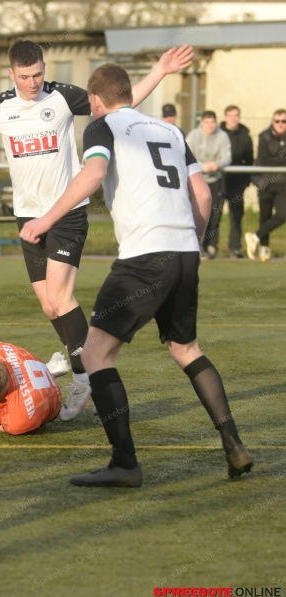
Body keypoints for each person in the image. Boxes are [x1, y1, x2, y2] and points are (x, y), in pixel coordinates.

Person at [0, 40, 193, 421]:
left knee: (59, 297)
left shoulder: (61, 97)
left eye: (38, 73)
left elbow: (118, 103)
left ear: (44, 67)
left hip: (67, 213)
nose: (32, 82)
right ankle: (77, 358)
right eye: (24, 76)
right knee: (48, 304)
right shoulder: (2, 106)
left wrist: (160, 70)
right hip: (29, 218)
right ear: (11, 74)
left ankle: (84, 375)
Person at [21, 63, 253, 487]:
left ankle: (125, 464)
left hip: (144, 256)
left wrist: (44, 220)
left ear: (94, 100)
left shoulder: (102, 126)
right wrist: (192, 242)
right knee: (186, 350)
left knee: (94, 354)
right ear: (129, 93)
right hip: (184, 251)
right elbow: (200, 192)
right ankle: (233, 444)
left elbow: (92, 174)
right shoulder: (171, 131)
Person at [186, 111, 231, 259]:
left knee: (214, 214)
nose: (210, 126)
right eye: (206, 122)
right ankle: (194, 246)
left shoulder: (222, 136)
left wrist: (215, 165)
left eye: (212, 122)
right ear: (201, 123)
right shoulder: (193, 136)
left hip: (215, 180)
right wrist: (201, 166)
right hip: (196, 180)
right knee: (196, 213)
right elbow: (184, 155)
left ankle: (211, 246)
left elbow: (227, 158)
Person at [245, 109, 286, 262]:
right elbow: (263, 160)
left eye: (284, 121)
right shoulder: (265, 136)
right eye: (278, 121)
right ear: (272, 121)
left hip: (283, 184)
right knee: (265, 216)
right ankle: (264, 250)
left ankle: (254, 237)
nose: (281, 124)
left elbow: (272, 159)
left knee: (283, 215)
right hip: (266, 183)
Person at [220, 105, 254, 258]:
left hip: (237, 182)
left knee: (236, 215)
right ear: (225, 117)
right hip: (219, 180)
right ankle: (209, 247)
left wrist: (245, 182)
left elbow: (249, 160)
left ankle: (235, 247)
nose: (233, 119)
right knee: (214, 215)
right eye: (230, 115)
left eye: (236, 115)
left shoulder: (245, 136)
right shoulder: (218, 133)